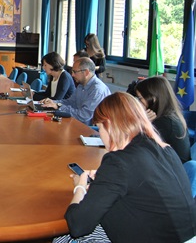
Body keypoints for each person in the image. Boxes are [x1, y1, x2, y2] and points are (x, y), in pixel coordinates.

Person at [57, 92, 196, 242]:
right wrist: (105, 180)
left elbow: (77, 225)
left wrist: (80, 187)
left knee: (63, 238)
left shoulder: (118, 162)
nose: (101, 136)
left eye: (99, 128)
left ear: (109, 124)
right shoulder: (166, 149)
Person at [135, 76, 191, 163]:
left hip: (170, 172)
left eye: (140, 98)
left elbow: (137, 148)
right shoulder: (171, 116)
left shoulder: (164, 123)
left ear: (153, 98)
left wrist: (141, 123)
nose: (138, 102)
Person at [40, 57, 111, 125]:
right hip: (76, 123)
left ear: (86, 72)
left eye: (75, 72)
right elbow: (70, 102)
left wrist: (58, 107)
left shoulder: (97, 90)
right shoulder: (81, 85)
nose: (72, 75)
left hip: (88, 130)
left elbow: (83, 116)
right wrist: (53, 103)